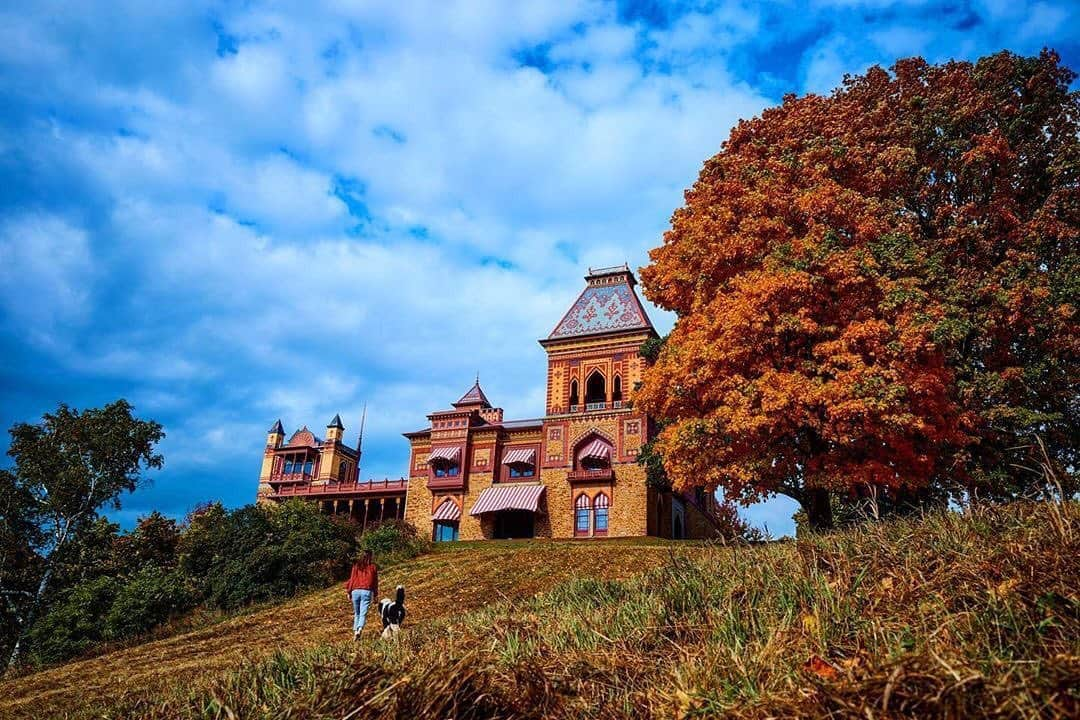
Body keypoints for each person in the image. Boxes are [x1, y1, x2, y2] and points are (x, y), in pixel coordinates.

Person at [345, 549, 378, 640]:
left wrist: (349, 591)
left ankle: (355, 631)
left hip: (355, 591)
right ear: (371, 556)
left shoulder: (356, 566)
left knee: (357, 613)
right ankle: (359, 629)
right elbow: (375, 582)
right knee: (363, 612)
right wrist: (375, 595)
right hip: (366, 591)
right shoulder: (373, 567)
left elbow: (352, 579)